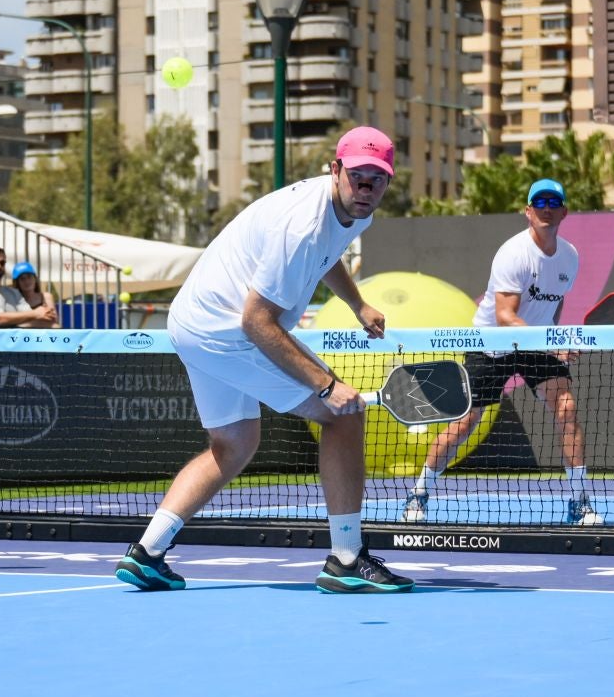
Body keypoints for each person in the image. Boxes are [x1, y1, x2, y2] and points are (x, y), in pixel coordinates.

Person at [115, 126, 410, 595]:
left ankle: (148, 554)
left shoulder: (352, 212)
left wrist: (357, 303)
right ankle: (347, 559)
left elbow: (328, 255)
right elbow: (258, 322)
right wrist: (328, 387)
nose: (368, 187)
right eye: (358, 176)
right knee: (344, 417)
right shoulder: (301, 224)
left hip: (191, 324)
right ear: (335, 170)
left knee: (233, 444)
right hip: (228, 329)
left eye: (378, 179)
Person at [403, 177, 600, 526]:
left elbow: (553, 304)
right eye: (540, 203)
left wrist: (553, 338)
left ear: (564, 212)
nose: (547, 209)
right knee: (465, 422)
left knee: (566, 407)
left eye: (554, 204)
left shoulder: (570, 257)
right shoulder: (514, 254)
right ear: (528, 211)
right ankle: (419, 493)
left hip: (534, 343)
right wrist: (552, 343)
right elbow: (506, 316)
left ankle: (579, 500)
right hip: (491, 343)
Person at [0, 247, 58, 327]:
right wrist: (36, 313)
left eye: (2, 262)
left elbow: (30, 315)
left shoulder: (13, 292)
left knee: (54, 326)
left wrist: (41, 316)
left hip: (17, 340)